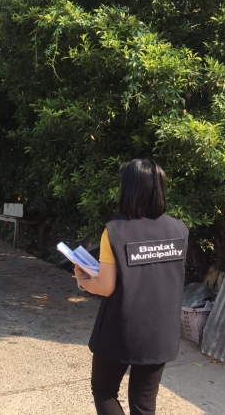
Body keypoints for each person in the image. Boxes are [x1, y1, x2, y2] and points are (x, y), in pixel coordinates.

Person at [74, 159, 189, 415]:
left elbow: (105, 286)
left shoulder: (115, 230)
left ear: (128, 188)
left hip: (121, 329)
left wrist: (83, 281)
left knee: (104, 390)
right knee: (144, 404)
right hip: (161, 331)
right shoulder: (179, 229)